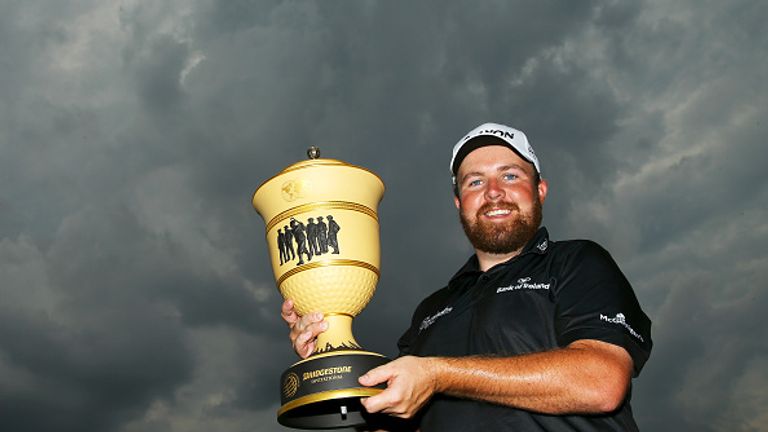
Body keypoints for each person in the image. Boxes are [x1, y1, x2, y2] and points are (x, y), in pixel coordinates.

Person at [281, 122, 653, 431]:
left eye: (510, 175)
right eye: (474, 182)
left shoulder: (576, 262)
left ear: (540, 190)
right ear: (459, 203)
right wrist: (329, 362)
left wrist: (439, 374)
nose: (493, 192)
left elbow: (601, 382)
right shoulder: (430, 312)